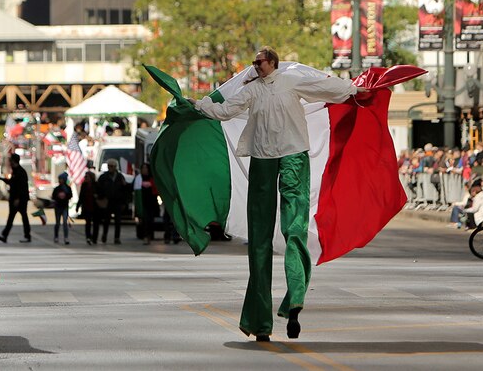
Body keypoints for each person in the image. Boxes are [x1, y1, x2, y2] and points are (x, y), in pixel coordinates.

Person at [188, 46, 360, 342]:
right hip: (263, 159)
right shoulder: (252, 90)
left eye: (259, 62)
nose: (255, 67)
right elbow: (226, 110)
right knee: (259, 240)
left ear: (272, 63)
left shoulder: (292, 80)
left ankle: (294, 300)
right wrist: (197, 105)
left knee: (295, 229)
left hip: (293, 157)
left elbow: (327, 88)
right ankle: (260, 322)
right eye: (253, 63)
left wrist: (356, 89)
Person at [0, 154, 31, 244]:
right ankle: (5, 235)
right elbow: (12, 183)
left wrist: (17, 199)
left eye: (10, 160)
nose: (9, 162)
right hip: (15, 199)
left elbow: (21, 187)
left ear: (14, 161)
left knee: (23, 216)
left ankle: (27, 235)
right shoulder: (15, 171)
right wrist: (1, 179)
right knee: (12, 217)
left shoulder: (20, 172)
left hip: (20, 199)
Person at [94, 158, 129, 245]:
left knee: (118, 221)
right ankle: (104, 235)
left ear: (115, 167)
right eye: (109, 166)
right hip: (107, 201)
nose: (110, 168)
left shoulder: (120, 177)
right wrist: (100, 197)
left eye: (112, 166)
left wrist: (125, 202)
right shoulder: (103, 177)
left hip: (117, 201)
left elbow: (125, 190)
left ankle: (117, 237)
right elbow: (98, 188)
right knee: (106, 220)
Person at [136, 162, 158, 244]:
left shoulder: (152, 178)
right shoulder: (138, 179)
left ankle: (149, 236)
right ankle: (145, 236)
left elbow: (156, 190)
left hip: (151, 203)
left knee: (150, 220)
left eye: (146, 168)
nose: (144, 170)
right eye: (143, 168)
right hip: (142, 203)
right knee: (144, 220)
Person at [51, 172, 72, 244]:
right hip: (58, 207)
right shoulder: (57, 188)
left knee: (65, 223)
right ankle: (56, 236)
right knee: (57, 223)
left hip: (65, 207)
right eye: (59, 179)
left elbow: (70, 196)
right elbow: (53, 196)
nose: (60, 180)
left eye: (61, 179)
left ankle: (66, 237)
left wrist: (65, 196)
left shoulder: (68, 188)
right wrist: (58, 197)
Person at [78, 168, 98, 245]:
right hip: (87, 207)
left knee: (96, 223)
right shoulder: (84, 185)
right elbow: (81, 196)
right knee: (88, 223)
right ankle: (88, 237)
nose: (85, 178)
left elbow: (101, 193)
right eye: (85, 177)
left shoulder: (96, 185)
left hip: (95, 207)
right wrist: (78, 205)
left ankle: (95, 238)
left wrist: (97, 196)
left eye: (87, 177)